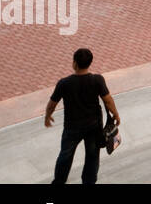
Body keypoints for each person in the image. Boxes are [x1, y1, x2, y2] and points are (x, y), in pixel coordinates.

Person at [46, 48, 120, 185]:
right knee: (92, 156)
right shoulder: (97, 80)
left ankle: (59, 181)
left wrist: (47, 116)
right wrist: (116, 114)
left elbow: (52, 103)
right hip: (93, 125)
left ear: (74, 63)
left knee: (65, 155)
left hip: (71, 126)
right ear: (90, 63)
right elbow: (108, 100)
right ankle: (89, 182)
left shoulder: (64, 83)